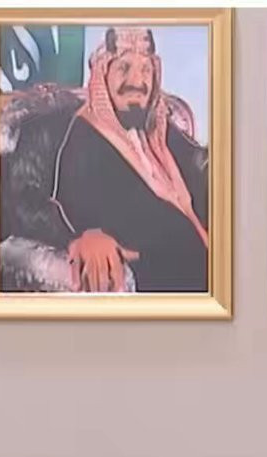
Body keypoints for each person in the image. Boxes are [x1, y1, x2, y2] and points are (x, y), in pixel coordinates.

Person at [50, 28, 209, 293]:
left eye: (145, 69)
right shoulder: (86, 136)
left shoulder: (157, 130)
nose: (137, 81)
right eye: (123, 68)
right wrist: (89, 234)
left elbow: (202, 168)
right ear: (104, 76)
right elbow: (71, 204)